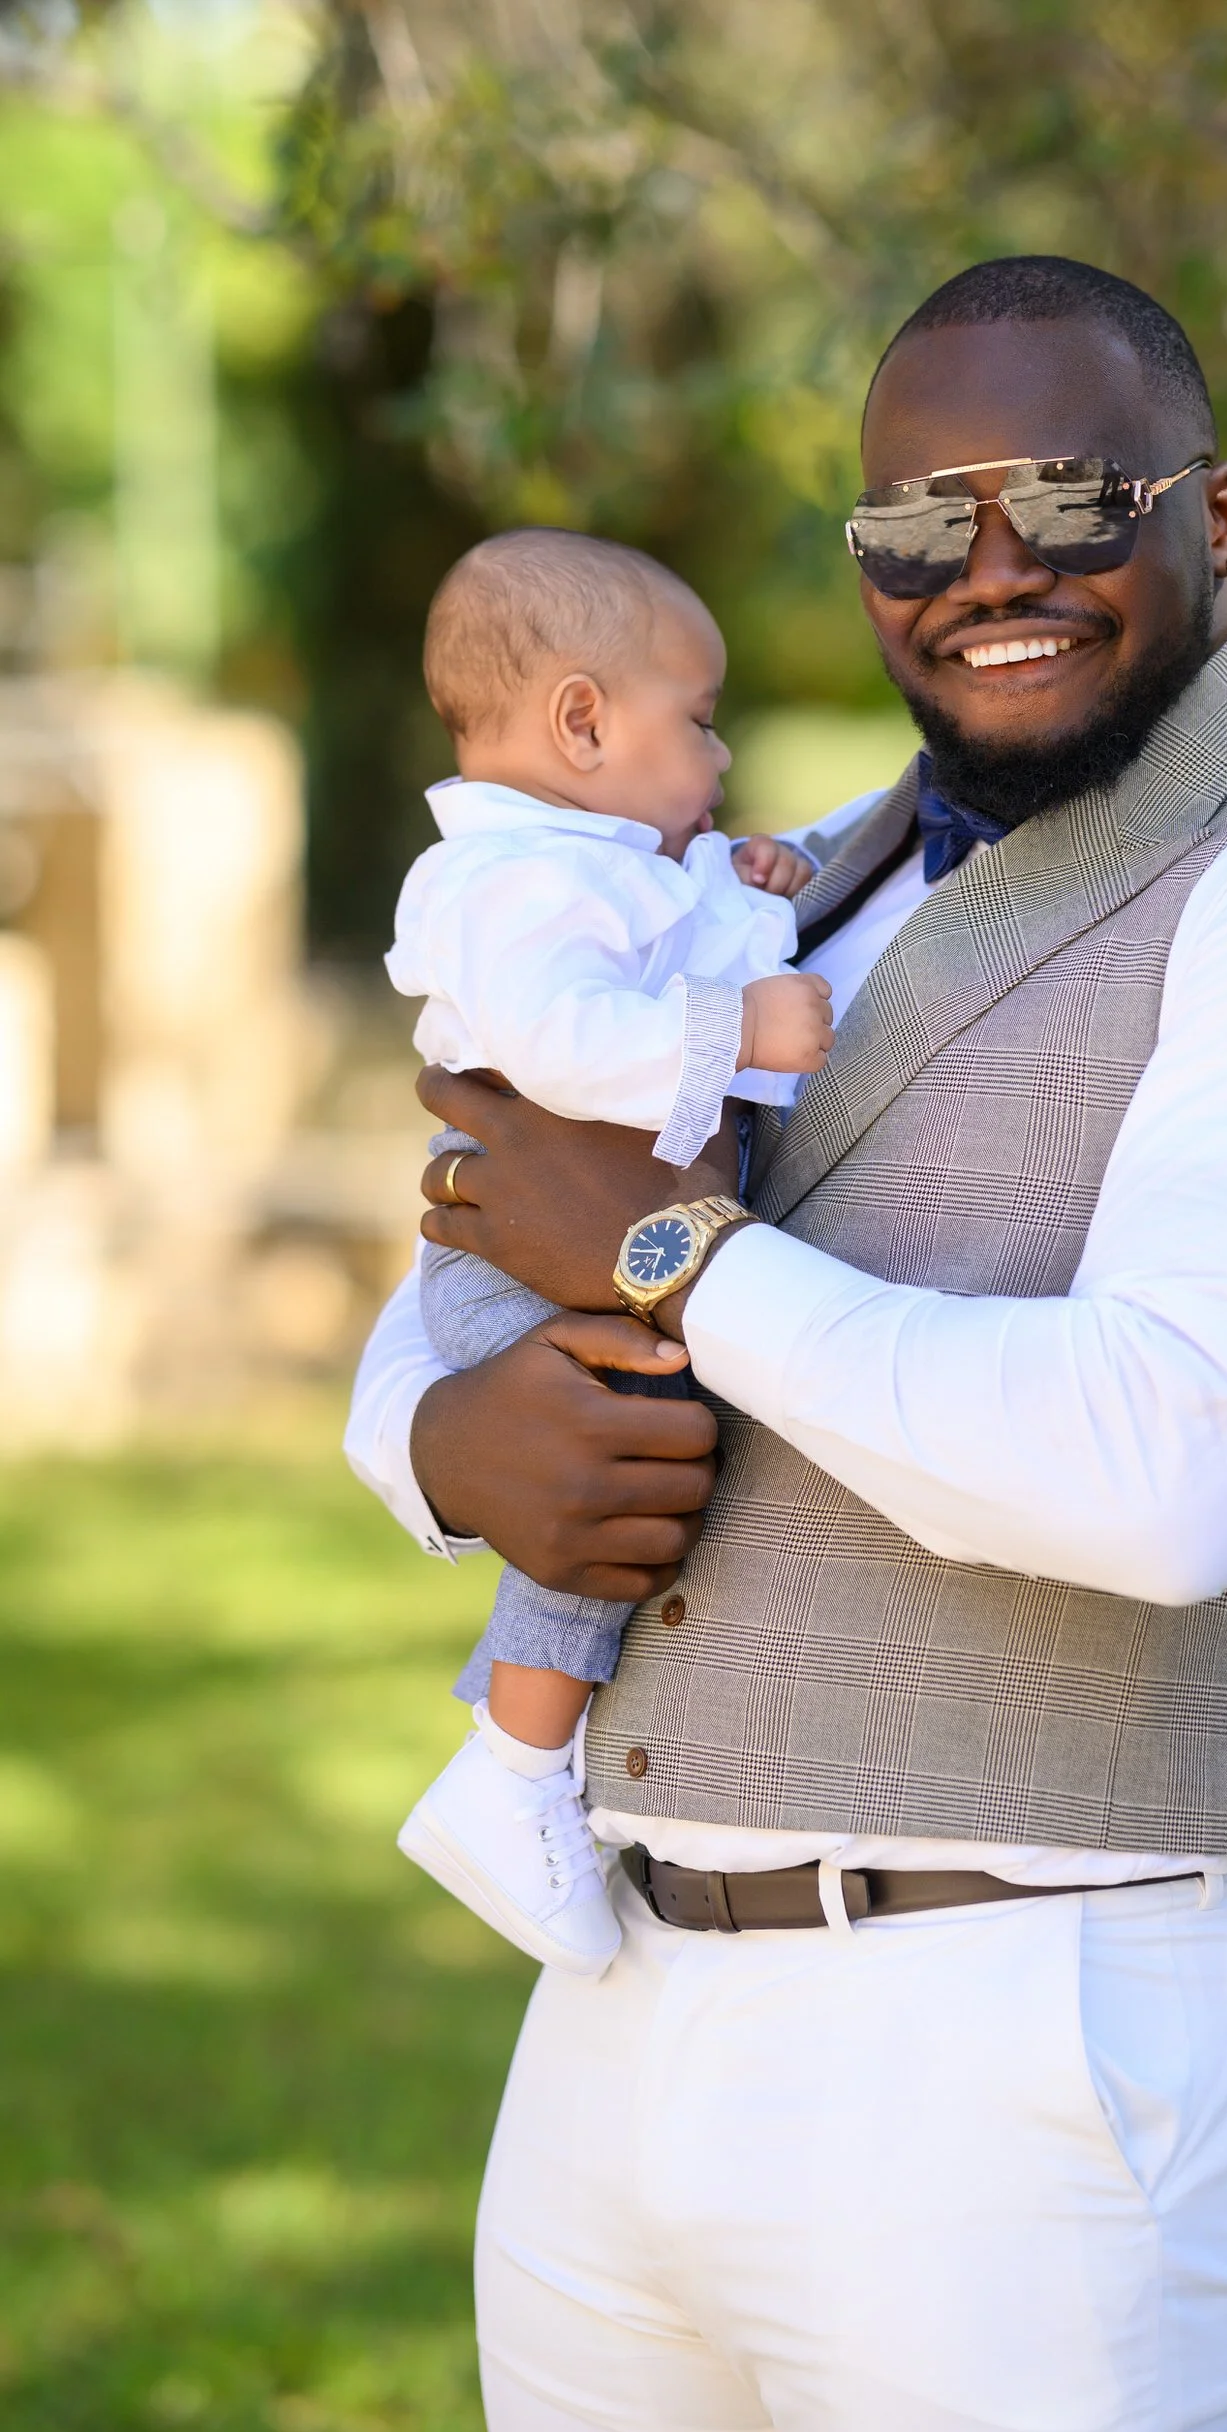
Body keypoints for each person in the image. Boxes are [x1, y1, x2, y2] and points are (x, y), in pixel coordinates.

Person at [346, 255, 1227, 2432]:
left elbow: (1165, 1469)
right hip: (615, 1998)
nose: (988, 569)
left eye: (1066, 496)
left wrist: (670, 1261)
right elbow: (478, 1221)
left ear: (1221, 510)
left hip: (1031, 2045)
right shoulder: (776, 882)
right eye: (914, 521)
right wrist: (429, 1442)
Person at [386, 527, 831, 1974]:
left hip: (579, 1235)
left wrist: (744, 882)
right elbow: (567, 1041)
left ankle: (526, 1772)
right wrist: (743, 1030)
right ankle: (510, 1775)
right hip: (523, 1256)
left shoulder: (603, 860)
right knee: (613, 1459)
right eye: (696, 723)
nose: (716, 758)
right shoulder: (516, 884)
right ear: (582, 721)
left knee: (636, 1456)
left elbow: (675, 935)